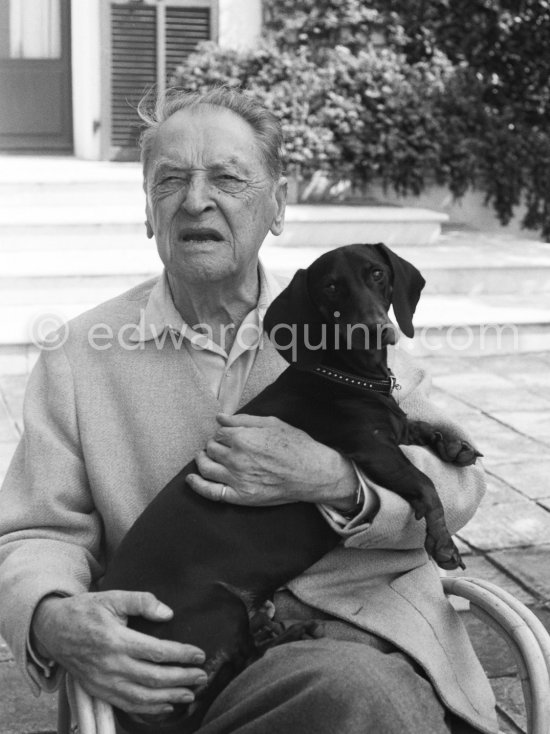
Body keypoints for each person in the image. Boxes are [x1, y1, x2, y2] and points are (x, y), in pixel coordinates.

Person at [0, 87, 498, 734]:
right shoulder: (79, 356)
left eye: (228, 178)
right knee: (360, 695)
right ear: (150, 211)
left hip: (357, 634)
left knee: (360, 687)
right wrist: (50, 615)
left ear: (278, 205)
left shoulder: (347, 316)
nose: (196, 199)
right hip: (182, 656)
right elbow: (33, 534)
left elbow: (460, 486)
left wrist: (337, 482)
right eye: (170, 179)